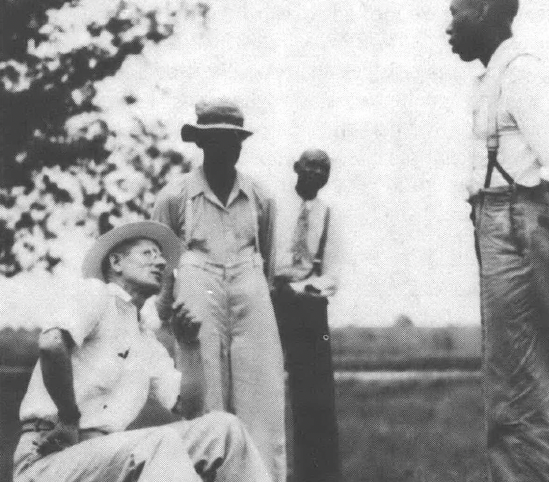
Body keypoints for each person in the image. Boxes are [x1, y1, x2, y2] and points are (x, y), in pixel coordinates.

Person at [446, 0, 549, 480]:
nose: (449, 27)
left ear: (486, 11)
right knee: (506, 394)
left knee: (526, 390)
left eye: (457, 14)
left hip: (517, 223)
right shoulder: (489, 79)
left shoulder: (522, 73)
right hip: (497, 224)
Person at [13, 220, 271, 482]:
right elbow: (52, 343)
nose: (160, 263)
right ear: (116, 263)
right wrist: (68, 418)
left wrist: (190, 345)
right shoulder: (96, 294)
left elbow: (191, 409)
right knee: (161, 442)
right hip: (50, 458)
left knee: (223, 430)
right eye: (148, 253)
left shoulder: (145, 339)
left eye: (161, 257)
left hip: (107, 457)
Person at [152, 99, 285, 482]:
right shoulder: (175, 197)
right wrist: (162, 312)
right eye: (218, 140)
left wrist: (256, 289)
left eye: (235, 140)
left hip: (249, 284)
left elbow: (269, 261)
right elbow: (164, 263)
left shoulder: (260, 197)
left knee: (261, 395)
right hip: (197, 284)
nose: (228, 149)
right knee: (204, 393)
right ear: (202, 144)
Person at [273, 149, 341, 482]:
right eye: (310, 166)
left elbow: (333, 274)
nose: (316, 172)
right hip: (272, 301)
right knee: (266, 389)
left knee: (315, 397)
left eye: (324, 169)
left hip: (309, 308)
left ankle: (315, 474)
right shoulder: (274, 208)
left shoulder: (328, 215)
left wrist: (305, 289)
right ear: (296, 167)